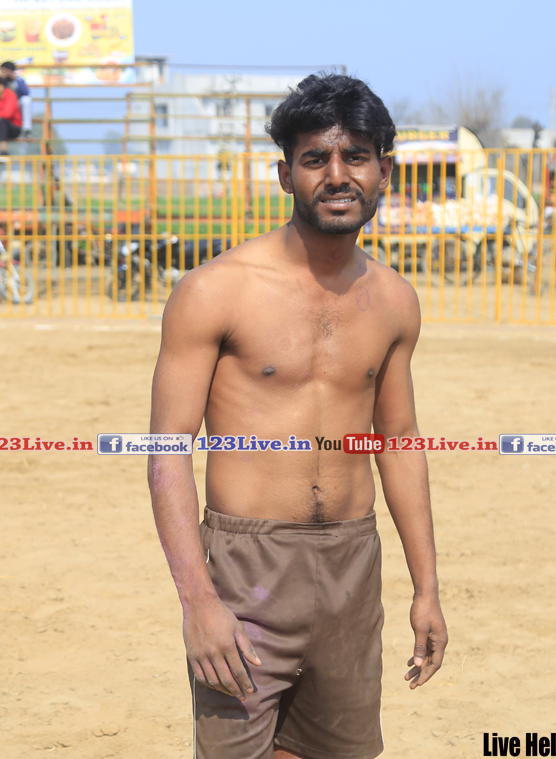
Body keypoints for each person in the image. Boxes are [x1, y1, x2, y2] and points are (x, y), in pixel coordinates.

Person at [147, 73, 447, 759]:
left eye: (356, 157)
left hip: (352, 563)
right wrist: (199, 603)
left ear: (384, 172)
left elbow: (399, 442)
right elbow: (167, 453)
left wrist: (426, 588)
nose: (337, 176)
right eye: (315, 159)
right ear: (285, 175)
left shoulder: (395, 301)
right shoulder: (215, 291)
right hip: (247, 569)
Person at [0, 61, 32, 136]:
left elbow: (26, 92)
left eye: (7, 71)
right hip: (4, 103)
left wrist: (16, 79)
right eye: (4, 71)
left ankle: (27, 129)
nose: (6, 73)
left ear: (12, 71)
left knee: (26, 100)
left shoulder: (19, 79)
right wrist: (1, 81)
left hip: (16, 103)